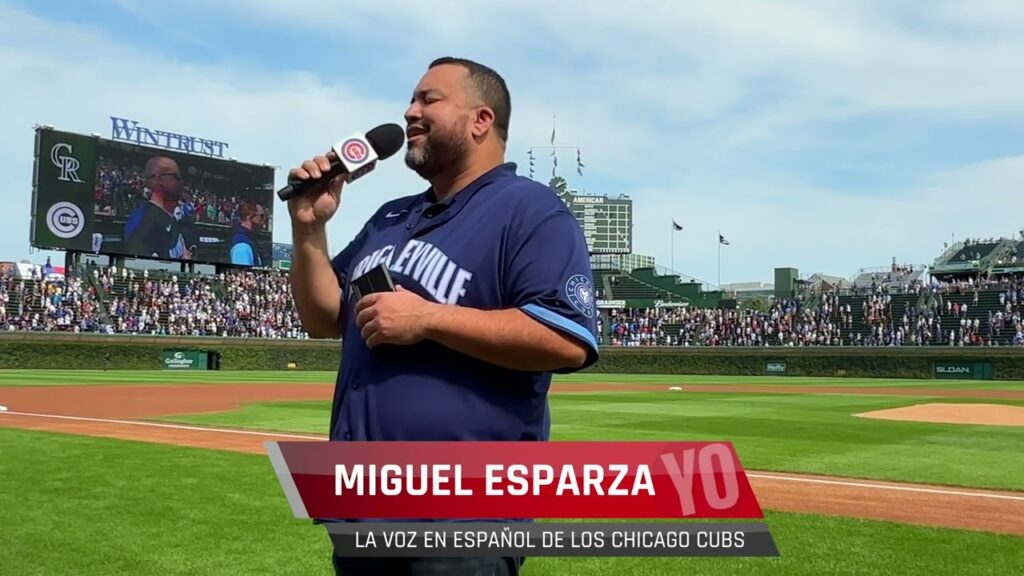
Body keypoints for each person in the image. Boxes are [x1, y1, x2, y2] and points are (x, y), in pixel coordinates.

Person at [287, 57, 599, 576]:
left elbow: (567, 337)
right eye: (411, 100)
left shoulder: (530, 209)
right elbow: (324, 319)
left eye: (429, 99)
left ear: (481, 120)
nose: (410, 111)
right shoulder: (390, 217)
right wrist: (308, 230)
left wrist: (428, 319)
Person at [230, 201, 267, 266]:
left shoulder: (249, 239)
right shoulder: (242, 244)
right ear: (249, 216)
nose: (264, 220)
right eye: (262, 216)